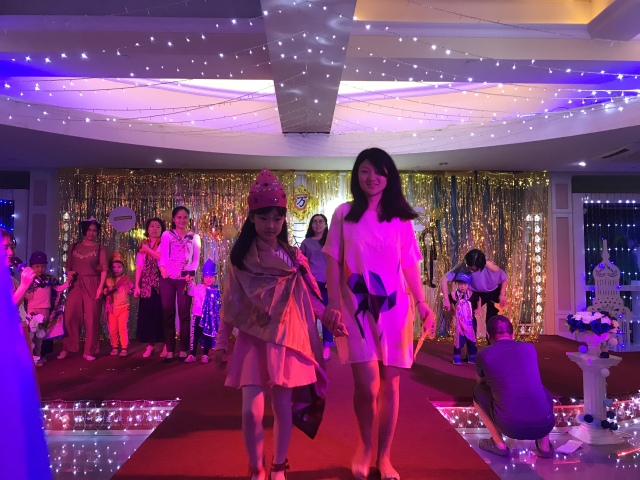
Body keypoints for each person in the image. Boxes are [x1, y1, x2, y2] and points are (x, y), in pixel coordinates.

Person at [215, 168, 346, 480]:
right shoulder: (241, 259)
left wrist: (328, 318)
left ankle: (278, 465)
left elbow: (309, 296)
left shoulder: (292, 256)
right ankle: (255, 465)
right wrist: (220, 343)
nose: (271, 225)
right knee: (251, 410)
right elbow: (231, 301)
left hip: (287, 338)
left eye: (277, 218)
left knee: (283, 405)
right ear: (252, 218)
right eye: (263, 218)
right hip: (253, 338)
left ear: (284, 218)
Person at [322, 148, 436, 480]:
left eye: (379, 172)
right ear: (356, 175)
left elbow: (409, 264)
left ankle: (384, 457)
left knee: (391, 385)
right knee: (367, 385)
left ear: (389, 176)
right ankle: (364, 445)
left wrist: (422, 301)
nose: (371, 178)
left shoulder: (400, 219)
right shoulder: (344, 214)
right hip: (355, 308)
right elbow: (333, 260)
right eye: (365, 171)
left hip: (394, 309)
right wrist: (332, 302)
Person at [0, 232, 52, 480]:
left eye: (11, 246)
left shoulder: (7, 276)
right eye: (5, 247)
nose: (11, 251)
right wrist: (22, 286)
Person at [474, 315, 555, 458]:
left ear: (488, 335)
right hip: (545, 424)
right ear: (512, 334)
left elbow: (480, 382)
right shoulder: (529, 348)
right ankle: (545, 446)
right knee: (542, 391)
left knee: (478, 392)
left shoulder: (483, 354)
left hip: (510, 427)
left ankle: (498, 444)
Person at [58, 217, 108, 361]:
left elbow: (104, 270)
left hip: (93, 282)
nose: (91, 233)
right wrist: (69, 274)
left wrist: (100, 287)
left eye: (94, 230)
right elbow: (68, 266)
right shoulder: (74, 246)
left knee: (92, 317)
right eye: (89, 230)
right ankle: (67, 347)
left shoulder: (100, 248)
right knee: (70, 315)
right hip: (75, 283)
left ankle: (89, 351)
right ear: (84, 230)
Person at [158, 206, 201, 363]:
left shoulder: (194, 237)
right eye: (179, 217)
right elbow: (162, 255)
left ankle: (183, 349)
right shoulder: (166, 235)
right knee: (168, 313)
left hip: (184, 278)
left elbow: (196, 259)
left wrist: (190, 273)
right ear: (174, 219)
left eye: (185, 217)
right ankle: (170, 350)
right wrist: (162, 267)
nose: (182, 220)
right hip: (167, 277)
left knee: (184, 315)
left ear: (188, 219)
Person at [24, 251, 70, 366]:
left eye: (43, 266)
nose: (40, 269)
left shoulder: (50, 279)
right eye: (37, 266)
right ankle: (30, 357)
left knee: (41, 335)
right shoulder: (29, 280)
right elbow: (27, 296)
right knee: (31, 334)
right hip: (32, 310)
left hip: (45, 310)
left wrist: (69, 281)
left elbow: (59, 288)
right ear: (31, 266)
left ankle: (38, 357)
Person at [441, 248, 507, 323]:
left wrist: (502, 294)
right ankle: (470, 330)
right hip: (476, 292)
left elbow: (504, 278)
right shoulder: (464, 264)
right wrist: (446, 299)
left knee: (492, 320)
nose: (470, 271)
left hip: (493, 292)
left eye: (473, 269)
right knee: (467, 314)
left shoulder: (490, 265)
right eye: (468, 268)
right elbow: (443, 280)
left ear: (481, 266)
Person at [300, 213, 333, 361]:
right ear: (311, 225)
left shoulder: (331, 241)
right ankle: (311, 346)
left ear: (325, 224)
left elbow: (336, 262)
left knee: (326, 316)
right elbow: (301, 263)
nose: (318, 224)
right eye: (315, 221)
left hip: (327, 284)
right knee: (310, 316)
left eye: (321, 221)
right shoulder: (306, 242)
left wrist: (332, 280)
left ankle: (327, 346)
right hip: (311, 284)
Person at [134, 217, 167, 358]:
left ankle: (167, 344)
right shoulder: (144, 244)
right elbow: (139, 266)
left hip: (162, 281)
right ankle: (150, 345)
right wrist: (137, 285)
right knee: (148, 314)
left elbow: (162, 257)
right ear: (147, 229)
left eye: (158, 226)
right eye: (152, 226)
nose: (155, 229)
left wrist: (148, 250)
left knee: (162, 313)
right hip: (147, 284)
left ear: (162, 229)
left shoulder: (165, 243)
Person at [185, 258, 221, 364]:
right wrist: (189, 282)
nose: (208, 279)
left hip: (208, 317)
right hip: (197, 315)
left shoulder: (215, 290)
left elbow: (218, 305)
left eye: (211, 277)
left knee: (207, 335)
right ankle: (192, 354)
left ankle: (205, 354)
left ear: (214, 278)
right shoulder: (198, 287)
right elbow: (190, 292)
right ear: (203, 277)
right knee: (195, 334)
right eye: (206, 277)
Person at [104, 252, 134, 357]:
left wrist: (132, 290)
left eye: (119, 267)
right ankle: (115, 347)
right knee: (112, 329)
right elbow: (104, 292)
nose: (116, 269)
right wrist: (107, 290)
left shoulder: (126, 279)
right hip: (111, 308)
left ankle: (124, 347)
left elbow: (131, 289)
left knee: (122, 328)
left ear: (123, 268)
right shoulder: (108, 280)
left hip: (123, 306)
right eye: (114, 267)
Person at [448, 268, 480, 365]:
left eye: (465, 284)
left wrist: (478, 309)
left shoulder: (472, 294)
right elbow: (450, 304)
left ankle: (472, 357)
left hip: (470, 321)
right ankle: (456, 357)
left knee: (471, 339)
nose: (462, 287)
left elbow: (479, 299)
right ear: (457, 284)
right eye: (460, 284)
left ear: (468, 284)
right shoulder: (453, 295)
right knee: (459, 340)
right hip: (459, 321)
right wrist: (453, 309)